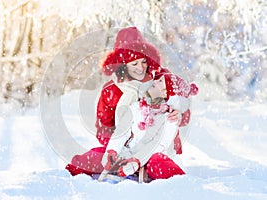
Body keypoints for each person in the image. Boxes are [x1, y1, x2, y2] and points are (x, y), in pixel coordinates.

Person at [65, 27, 193, 179]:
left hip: (158, 150)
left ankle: (184, 184)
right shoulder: (110, 91)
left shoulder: (160, 79)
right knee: (90, 159)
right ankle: (65, 176)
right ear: (123, 65)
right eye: (134, 64)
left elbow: (183, 109)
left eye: (143, 61)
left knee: (158, 164)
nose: (141, 68)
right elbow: (104, 129)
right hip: (124, 151)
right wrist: (118, 151)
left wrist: (178, 115)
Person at [100, 72, 198, 181]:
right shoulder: (136, 108)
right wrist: (112, 151)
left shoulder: (170, 117)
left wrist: (136, 160)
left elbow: (158, 144)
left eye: (160, 81)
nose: (155, 81)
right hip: (129, 153)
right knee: (97, 154)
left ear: (166, 92)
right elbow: (122, 131)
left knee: (158, 162)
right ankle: (78, 169)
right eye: (156, 79)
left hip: (152, 157)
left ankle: (183, 182)